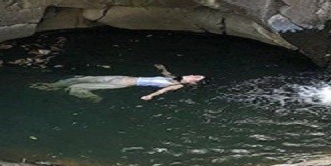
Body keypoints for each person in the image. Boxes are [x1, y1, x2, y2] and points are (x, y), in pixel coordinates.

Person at [31, 64, 205, 102]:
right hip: (120, 76)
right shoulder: (174, 77)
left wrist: (149, 96)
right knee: (79, 78)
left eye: (196, 77)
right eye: (195, 73)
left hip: (123, 84)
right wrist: (161, 68)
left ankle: (95, 99)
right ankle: (53, 86)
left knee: (76, 87)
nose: (193, 74)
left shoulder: (176, 85)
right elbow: (166, 73)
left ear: (192, 83)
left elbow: (162, 92)